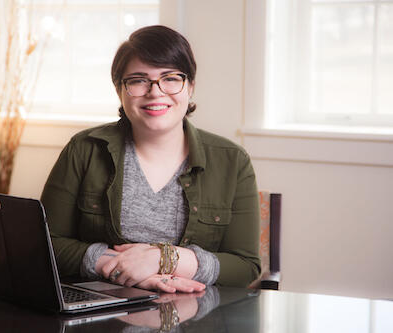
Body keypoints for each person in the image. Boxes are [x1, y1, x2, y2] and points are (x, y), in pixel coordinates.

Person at [41, 25, 260, 293]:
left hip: (199, 315)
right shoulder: (84, 149)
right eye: (138, 80)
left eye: (170, 78)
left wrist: (163, 259)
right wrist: (122, 267)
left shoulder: (233, 161)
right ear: (119, 89)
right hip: (101, 310)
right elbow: (46, 243)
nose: (155, 92)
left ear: (190, 86)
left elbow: (245, 267)